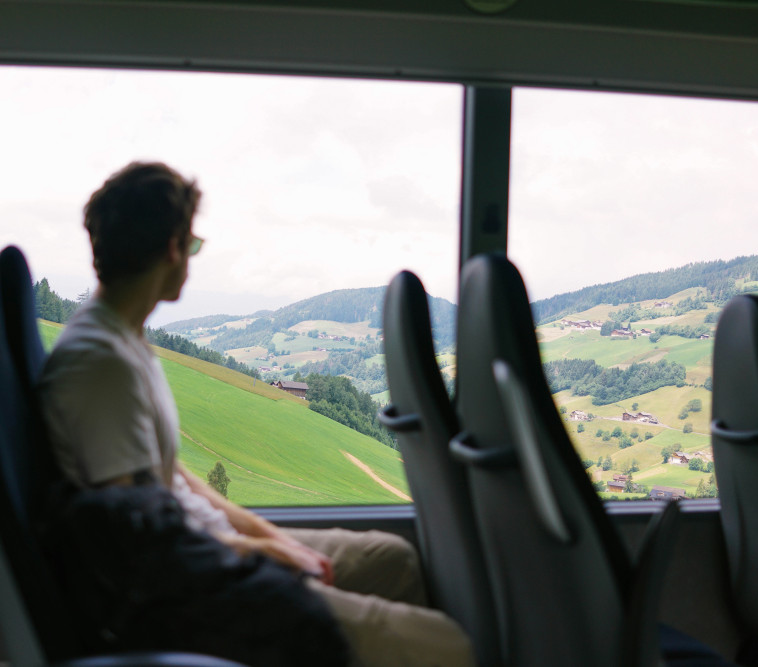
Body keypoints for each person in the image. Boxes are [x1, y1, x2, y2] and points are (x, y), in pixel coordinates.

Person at [38, 161, 474, 667]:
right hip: (193, 585)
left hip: (205, 542)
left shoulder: (125, 340)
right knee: (448, 646)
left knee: (391, 558)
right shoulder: (99, 364)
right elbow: (139, 542)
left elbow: (171, 477)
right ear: (173, 248)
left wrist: (268, 535)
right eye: (193, 245)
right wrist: (262, 553)